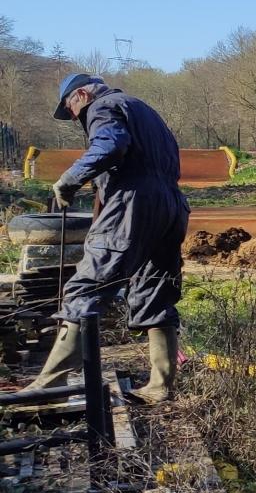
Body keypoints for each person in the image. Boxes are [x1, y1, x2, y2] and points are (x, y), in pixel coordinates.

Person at [16, 75, 189, 403]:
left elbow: (110, 146)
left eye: (72, 110)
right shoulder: (143, 110)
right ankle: (160, 386)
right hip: (172, 205)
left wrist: (69, 179)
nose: (76, 118)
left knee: (85, 287)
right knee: (156, 292)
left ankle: (51, 383)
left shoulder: (103, 106)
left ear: (80, 94)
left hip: (134, 203)